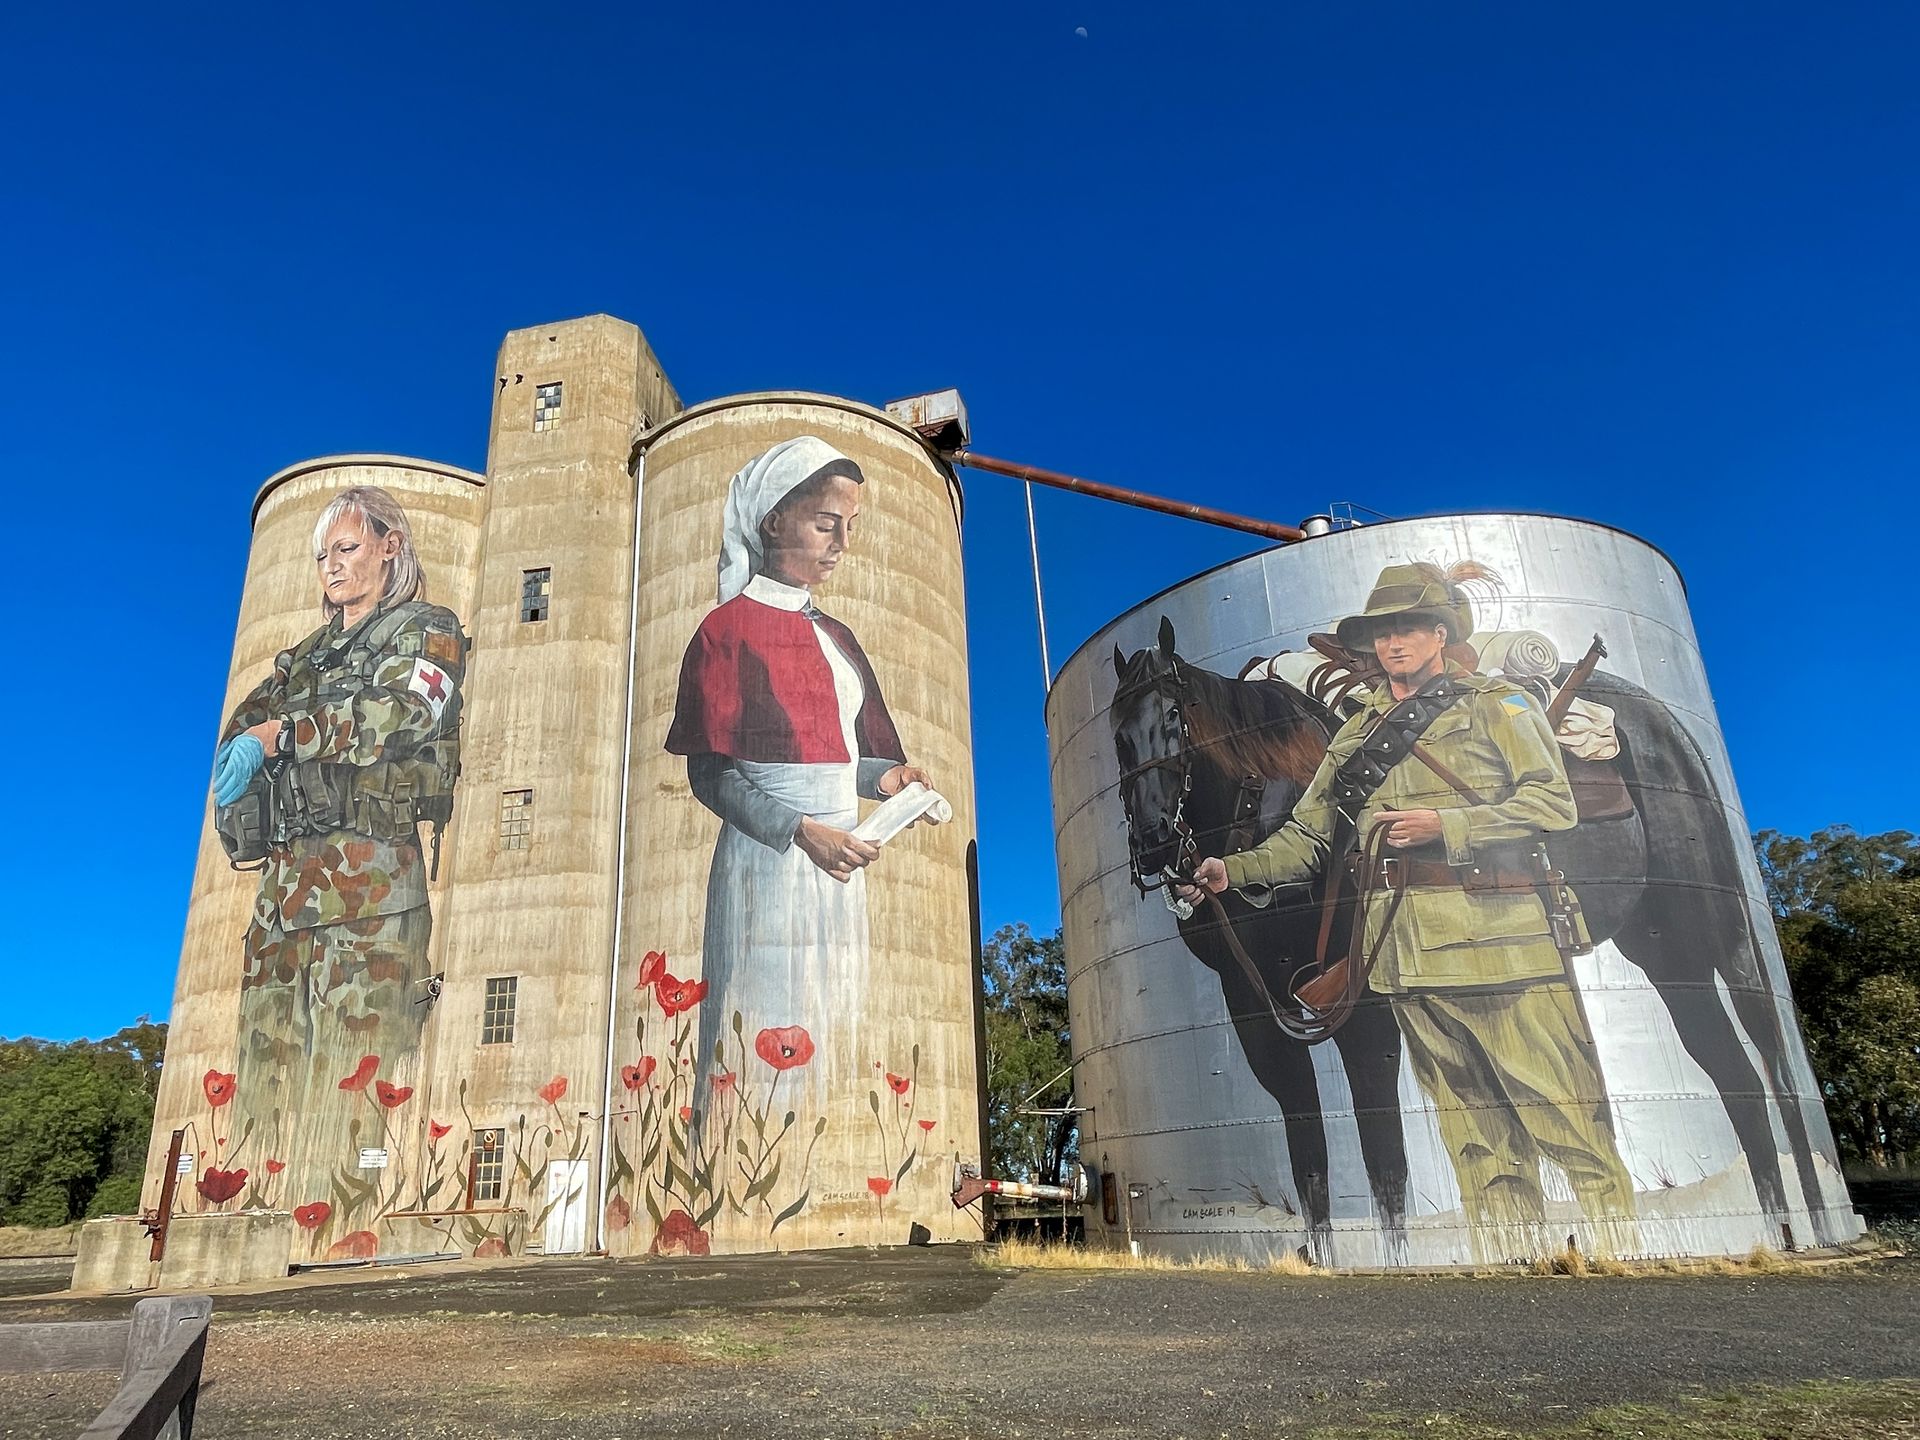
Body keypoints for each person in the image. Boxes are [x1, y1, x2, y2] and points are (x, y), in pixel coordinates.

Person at [1178, 562, 1636, 1260]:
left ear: (1440, 632)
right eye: (1382, 632)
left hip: (1502, 944)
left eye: (1409, 628)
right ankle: (1515, 1271)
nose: (1394, 643)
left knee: (1568, 1123)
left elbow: (1551, 804)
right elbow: (1306, 838)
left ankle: (1625, 1264)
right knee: (1477, 1137)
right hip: (1408, 956)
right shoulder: (1357, 735)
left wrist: (1446, 827)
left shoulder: (1495, 704)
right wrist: (1228, 871)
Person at [211, 485, 466, 1211]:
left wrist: (287, 735)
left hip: (371, 889)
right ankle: (249, 1215)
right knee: (265, 1067)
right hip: (283, 895)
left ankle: (343, 1222)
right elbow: (243, 729)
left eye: (347, 548)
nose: (332, 566)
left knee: (356, 1073)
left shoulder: (428, 631)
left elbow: (407, 712)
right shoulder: (302, 661)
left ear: (391, 545)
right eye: (323, 554)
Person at [666, 436, 933, 1107]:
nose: (840, 543)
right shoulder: (724, 632)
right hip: (770, 864)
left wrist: (884, 781)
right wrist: (801, 830)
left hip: (843, 864)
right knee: (760, 1042)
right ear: (773, 522)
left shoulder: (838, 636)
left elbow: (833, 752)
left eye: (851, 526)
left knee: (837, 1035)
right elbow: (713, 773)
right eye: (824, 523)